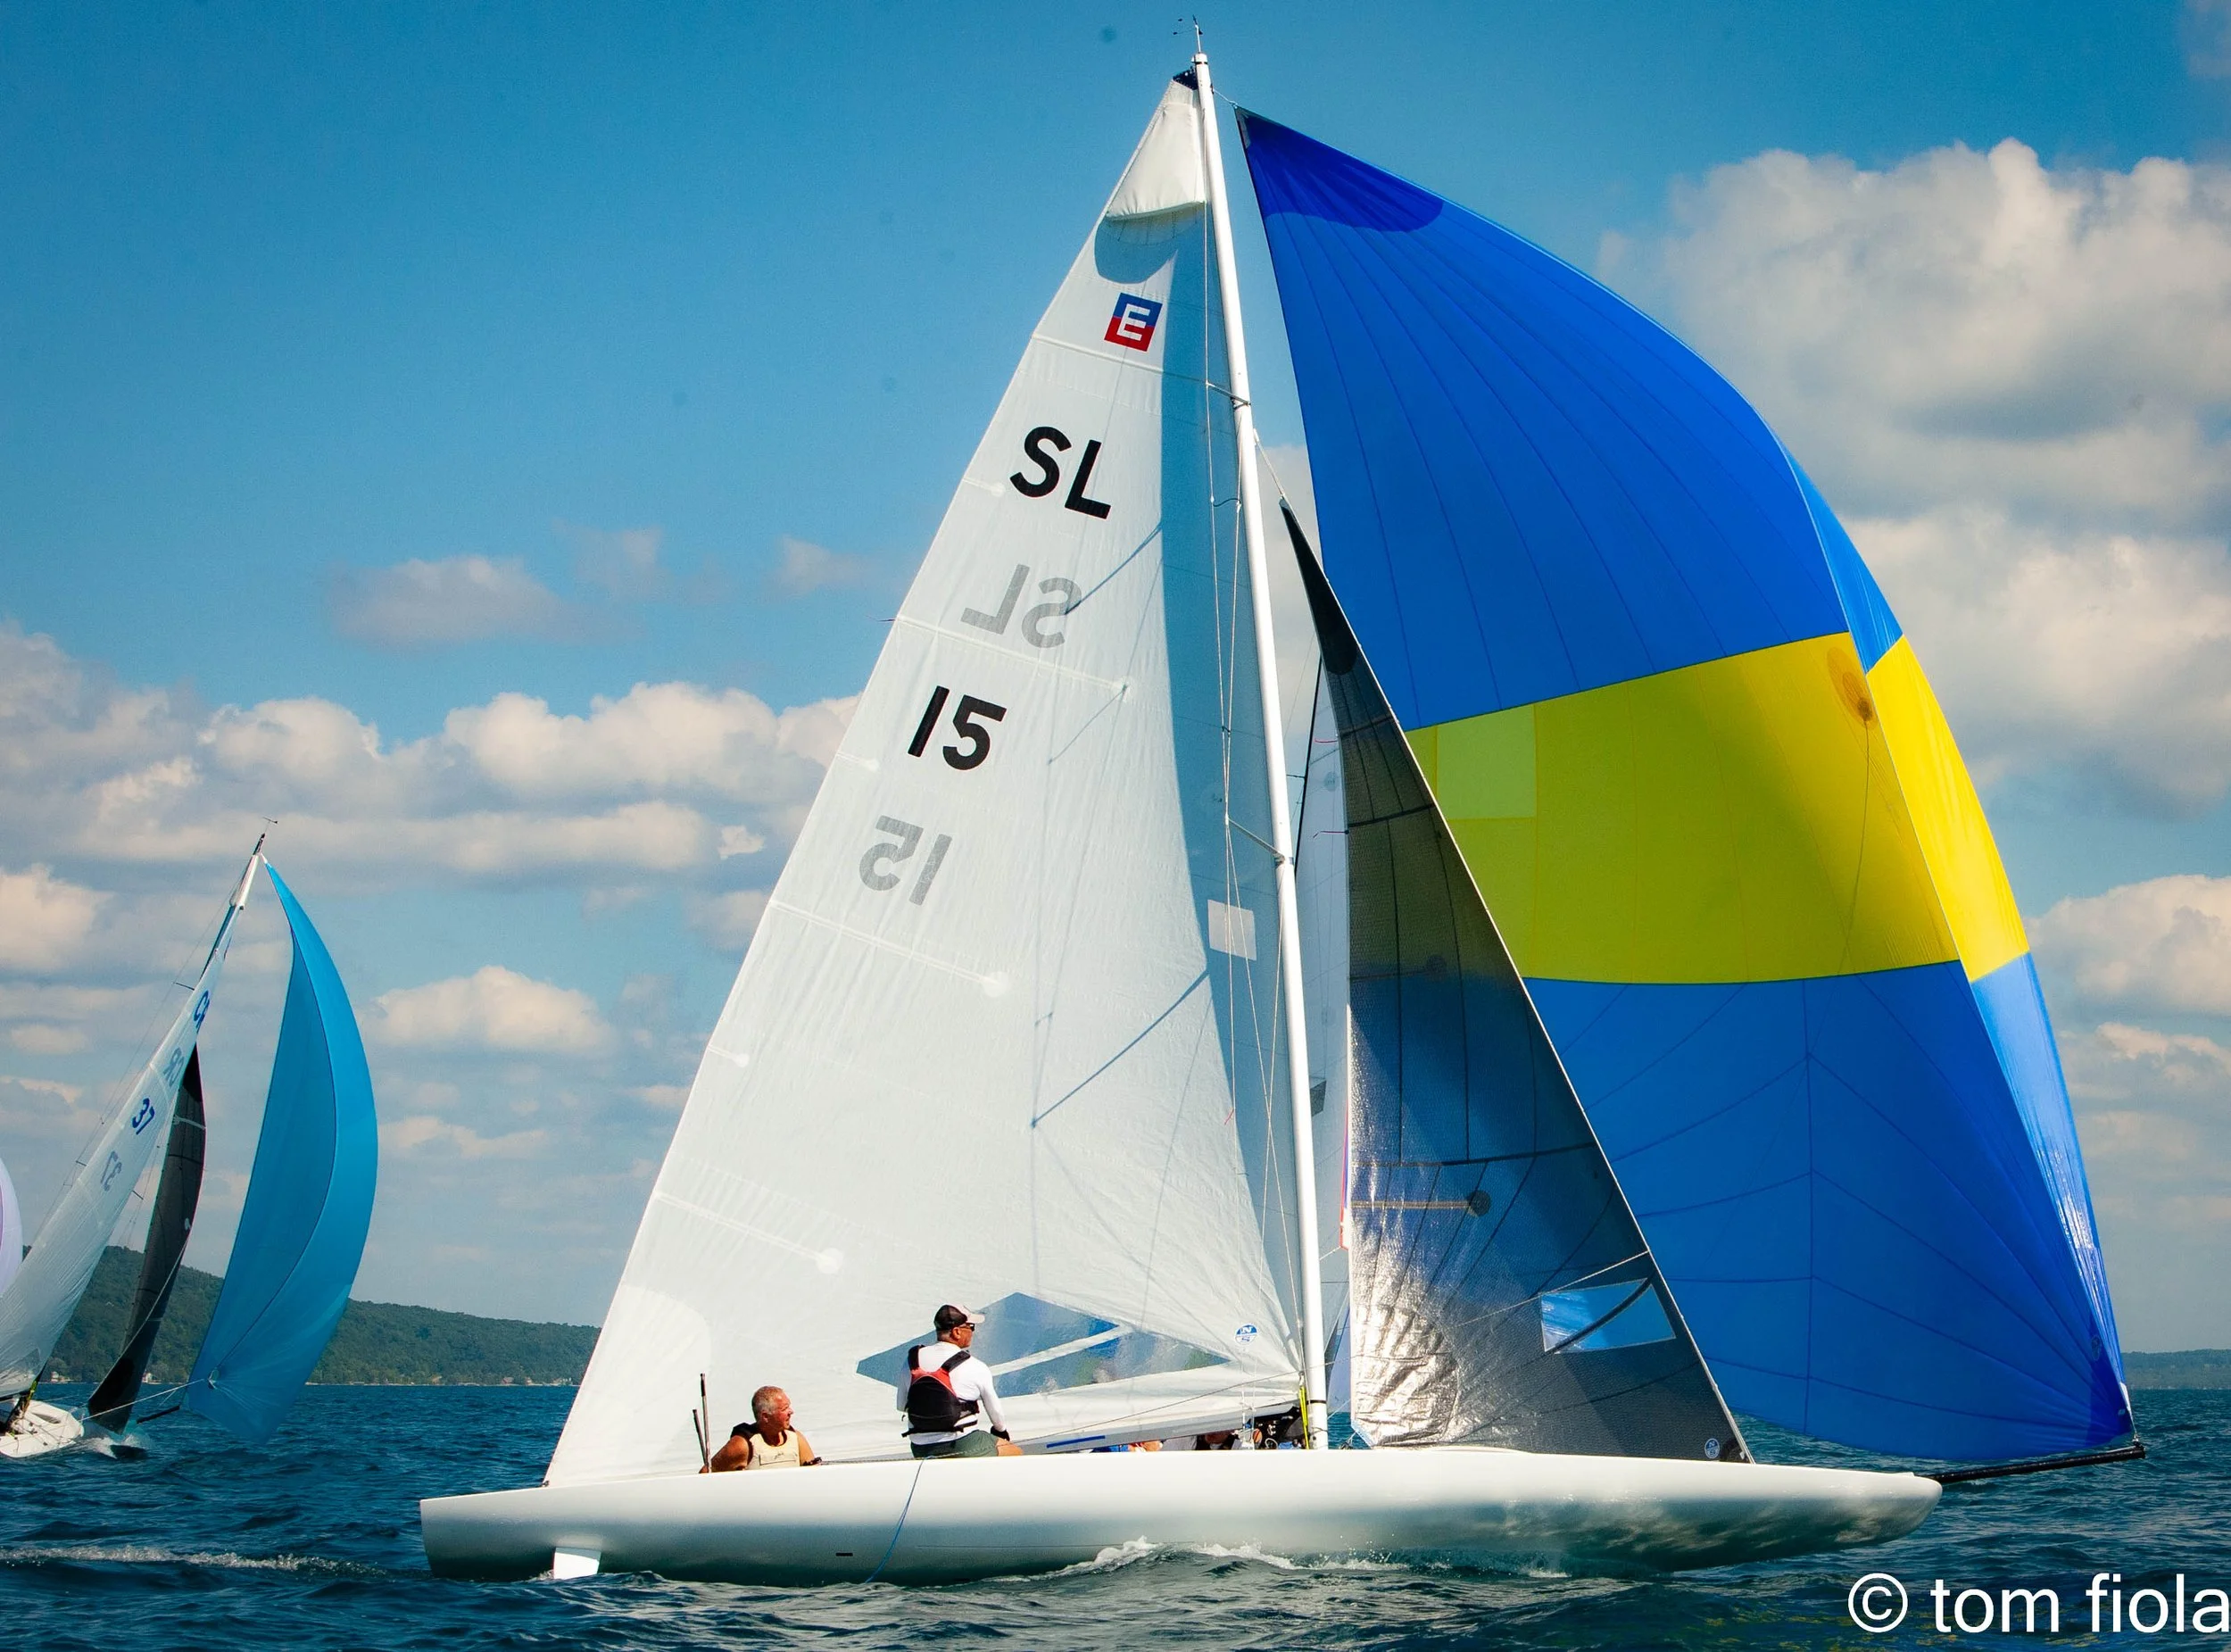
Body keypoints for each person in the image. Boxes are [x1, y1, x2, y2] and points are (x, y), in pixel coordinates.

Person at [901, 1303, 1022, 1458]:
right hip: (962, 1443)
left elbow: (901, 1406)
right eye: (971, 1327)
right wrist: (1001, 1432)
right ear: (957, 1332)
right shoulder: (975, 1365)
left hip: (920, 1448)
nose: (972, 1332)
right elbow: (996, 1415)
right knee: (1015, 1453)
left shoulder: (911, 1362)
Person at [705, 1385, 819, 1472]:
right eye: (784, 1409)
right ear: (765, 1416)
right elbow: (705, 1475)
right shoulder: (742, 1445)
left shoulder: (796, 1438)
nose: (791, 1412)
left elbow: (813, 1474)